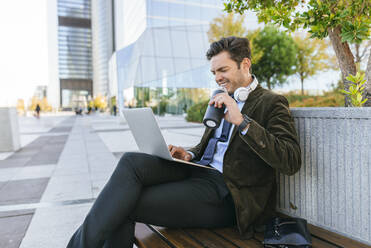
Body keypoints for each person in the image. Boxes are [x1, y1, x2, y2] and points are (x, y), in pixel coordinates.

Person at [67, 36, 301, 248]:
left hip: (230, 195)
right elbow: (212, 147)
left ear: (245, 65)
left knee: (122, 204)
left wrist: (242, 122)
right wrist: (188, 155)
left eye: (223, 69)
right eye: (214, 72)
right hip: (199, 172)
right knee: (131, 162)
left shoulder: (272, 102)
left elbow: (290, 160)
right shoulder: (221, 98)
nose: (218, 77)